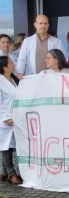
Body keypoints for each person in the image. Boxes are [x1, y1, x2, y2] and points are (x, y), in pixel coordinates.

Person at [0, 56, 22, 185]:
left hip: (14, 118)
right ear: (4, 67)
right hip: (5, 119)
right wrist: (6, 117)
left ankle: (3, 171)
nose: (13, 64)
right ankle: (11, 174)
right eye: (10, 63)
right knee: (5, 147)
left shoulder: (13, 79)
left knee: (10, 145)